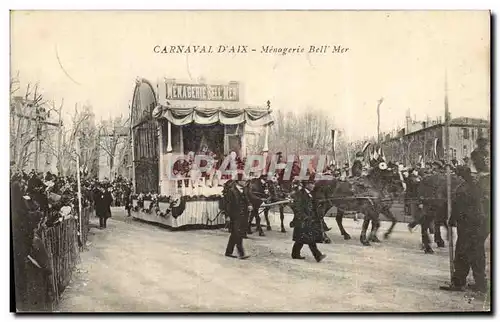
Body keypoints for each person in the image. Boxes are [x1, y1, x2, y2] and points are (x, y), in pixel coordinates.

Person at [440, 166, 490, 294]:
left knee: (462, 254)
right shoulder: (475, 186)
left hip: (468, 225)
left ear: (461, 175)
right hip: (478, 225)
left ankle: (459, 282)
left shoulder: (464, 188)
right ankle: (480, 284)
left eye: (457, 173)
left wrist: (452, 219)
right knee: (477, 254)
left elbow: (458, 206)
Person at [289, 180, 326, 262]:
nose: (313, 185)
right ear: (306, 185)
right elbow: (297, 207)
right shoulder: (300, 194)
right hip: (302, 220)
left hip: (308, 219)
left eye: (313, 184)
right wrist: (304, 217)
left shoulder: (310, 194)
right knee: (309, 239)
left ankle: (295, 254)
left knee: (301, 238)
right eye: (312, 184)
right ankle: (318, 256)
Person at [224, 182, 250, 260]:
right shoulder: (231, 191)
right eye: (243, 180)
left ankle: (228, 252)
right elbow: (228, 204)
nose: (245, 182)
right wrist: (228, 216)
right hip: (234, 215)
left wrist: (249, 205)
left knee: (235, 234)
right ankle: (241, 253)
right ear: (238, 181)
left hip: (243, 215)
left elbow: (247, 200)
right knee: (238, 233)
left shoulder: (244, 190)